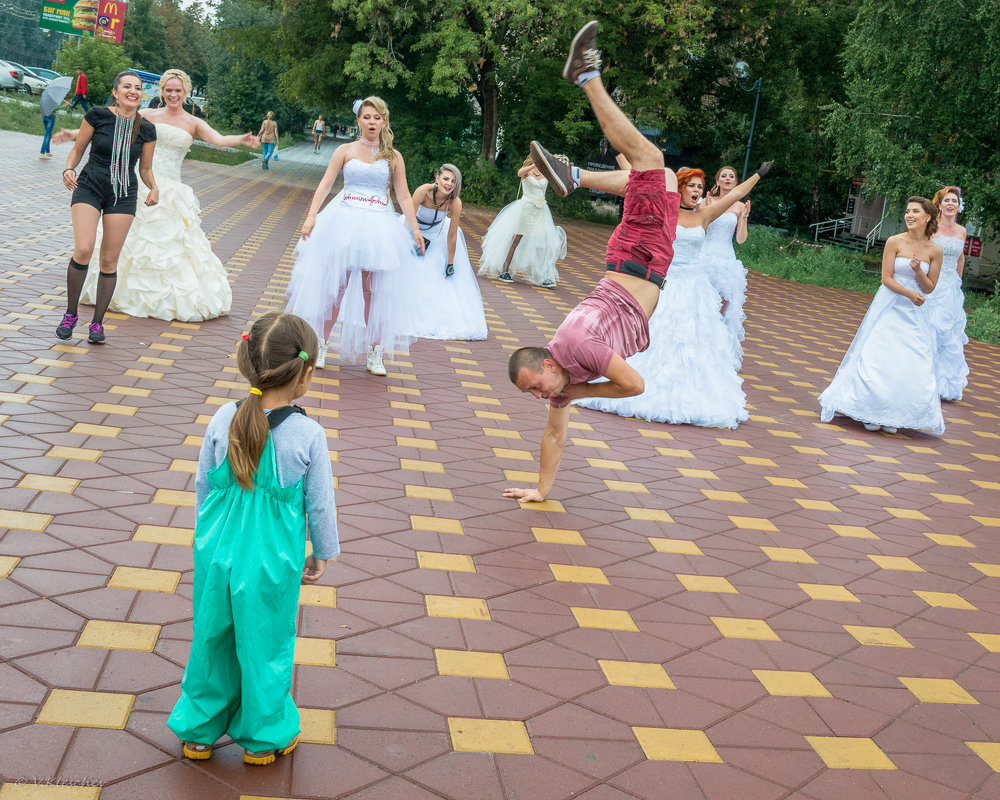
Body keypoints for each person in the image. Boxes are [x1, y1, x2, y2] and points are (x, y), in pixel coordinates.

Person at [504, 19, 775, 503]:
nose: (542, 395)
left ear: (548, 363)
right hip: (639, 260)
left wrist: (577, 394)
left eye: (537, 385)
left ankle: (586, 74)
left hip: (640, 258)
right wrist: (541, 491)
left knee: (651, 161)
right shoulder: (565, 369)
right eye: (535, 394)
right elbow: (554, 434)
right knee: (661, 179)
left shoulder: (576, 354)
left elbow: (633, 385)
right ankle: (575, 176)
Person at [167, 312, 339, 766]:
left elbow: (204, 488)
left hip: (216, 554)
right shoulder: (307, 433)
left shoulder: (224, 417)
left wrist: (207, 539)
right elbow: (319, 505)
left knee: (211, 637)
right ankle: (263, 739)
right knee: (265, 644)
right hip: (270, 564)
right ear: (304, 374)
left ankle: (198, 733)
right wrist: (322, 553)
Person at [576, 164, 762, 427]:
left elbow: (735, 194)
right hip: (665, 282)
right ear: (681, 188)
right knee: (655, 334)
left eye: (700, 186)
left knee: (692, 341)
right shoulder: (665, 211)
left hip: (695, 287)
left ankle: (689, 393)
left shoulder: (706, 214)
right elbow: (636, 188)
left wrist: (758, 175)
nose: (696, 191)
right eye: (691, 186)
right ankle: (634, 383)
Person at [73, 69, 258, 322]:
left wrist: (241, 140)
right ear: (162, 91)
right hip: (137, 182)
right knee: (128, 244)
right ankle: (115, 293)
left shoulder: (193, 122)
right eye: (169, 90)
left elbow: (219, 139)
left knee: (169, 245)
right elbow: (109, 126)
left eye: (178, 90)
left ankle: (162, 296)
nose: (173, 94)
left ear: (185, 92)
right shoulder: (146, 115)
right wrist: (73, 135)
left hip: (171, 190)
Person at [285, 96, 423, 375]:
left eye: (377, 117)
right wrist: (311, 216)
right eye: (366, 117)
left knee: (374, 292)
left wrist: (415, 228)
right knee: (336, 287)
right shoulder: (345, 151)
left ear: (384, 121)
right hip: (344, 222)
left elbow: (404, 195)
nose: (372, 122)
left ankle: (375, 352)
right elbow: (325, 184)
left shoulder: (393, 156)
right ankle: (320, 345)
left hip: (379, 227)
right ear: (358, 120)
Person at [818, 197, 944, 435]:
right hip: (891, 304)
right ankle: (869, 410)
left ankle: (893, 414)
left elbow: (929, 288)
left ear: (928, 216)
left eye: (915, 211)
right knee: (879, 354)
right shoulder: (895, 241)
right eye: (907, 211)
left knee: (908, 359)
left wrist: (918, 271)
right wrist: (909, 293)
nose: (909, 215)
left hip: (916, 312)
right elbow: (886, 279)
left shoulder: (935, 250)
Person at [53, 70, 157, 344]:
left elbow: (145, 168)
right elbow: (78, 148)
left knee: (109, 260)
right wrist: (69, 168)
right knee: (84, 248)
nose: (133, 91)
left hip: (123, 193)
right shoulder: (98, 115)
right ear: (116, 92)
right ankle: (71, 314)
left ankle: (97, 324)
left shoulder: (146, 128)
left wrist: (154, 187)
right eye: (127, 86)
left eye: (137, 87)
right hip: (88, 185)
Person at [406, 164, 488, 340]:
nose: (449, 183)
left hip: (436, 236)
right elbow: (408, 217)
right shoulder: (423, 191)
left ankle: (429, 318)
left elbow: (452, 236)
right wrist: (415, 237)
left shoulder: (455, 202)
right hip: (412, 230)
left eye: (453, 181)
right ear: (437, 178)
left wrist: (450, 263)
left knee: (436, 273)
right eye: (445, 179)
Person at [477, 154, 565, 288]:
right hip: (526, 208)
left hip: (541, 210)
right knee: (516, 238)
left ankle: (544, 276)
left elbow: (558, 182)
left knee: (543, 243)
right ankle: (504, 271)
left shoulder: (546, 172)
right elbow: (519, 173)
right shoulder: (527, 170)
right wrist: (535, 164)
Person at [702, 165, 751, 362]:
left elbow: (740, 239)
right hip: (705, 256)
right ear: (718, 181)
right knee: (703, 302)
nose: (728, 179)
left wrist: (745, 216)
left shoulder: (739, 207)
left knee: (725, 304)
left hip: (726, 259)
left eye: (731, 176)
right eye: (724, 176)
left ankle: (718, 350)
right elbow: (700, 230)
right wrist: (704, 209)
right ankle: (701, 344)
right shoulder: (708, 201)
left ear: (736, 182)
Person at [928, 186, 969, 401]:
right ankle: (927, 378)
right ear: (940, 205)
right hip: (933, 283)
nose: (951, 204)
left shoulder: (962, 231)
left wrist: (958, 279)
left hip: (952, 287)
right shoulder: (932, 228)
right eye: (947, 201)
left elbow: (960, 257)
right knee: (932, 328)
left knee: (950, 334)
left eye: (955, 200)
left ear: (959, 206)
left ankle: (946, 383)